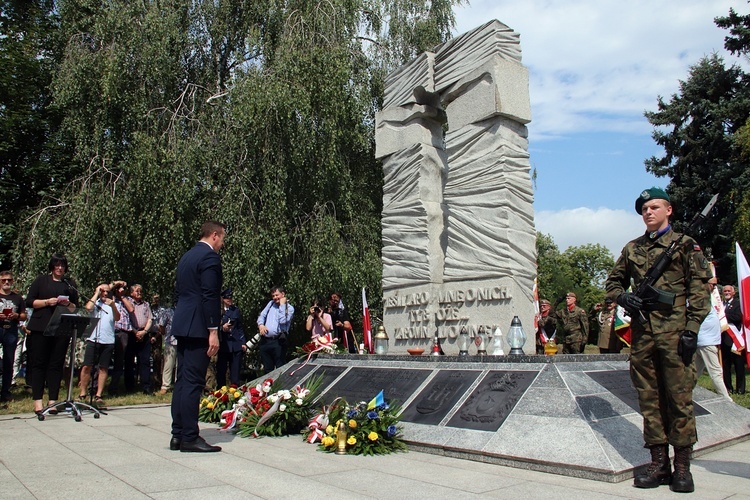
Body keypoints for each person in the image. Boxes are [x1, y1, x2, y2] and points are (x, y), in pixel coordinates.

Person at [605, 187, 711, 493]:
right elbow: (612, 283)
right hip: (643, 333)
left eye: (654, 207)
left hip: (675, 331)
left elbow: (699, 292)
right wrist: (624, 295)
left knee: (679, 399)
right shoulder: (632, 248)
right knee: (649, 399)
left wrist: (691, 329)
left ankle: (682, 468)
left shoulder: (686, 245)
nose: (648, 212)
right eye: (644, 209)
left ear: (668, 210)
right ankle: (658, 464)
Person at [170, 221, 225, 453]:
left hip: (183, 323)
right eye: (222, 238)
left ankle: (178, 434)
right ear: (214, 235)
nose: (222, 244)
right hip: (199, 327)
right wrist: (213, 330)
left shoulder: (187, 257)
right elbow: (210, 296)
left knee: (182, 381)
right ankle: (190, 437)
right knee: (193, 382)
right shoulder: (209, 258)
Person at [25, 253, 79, 417]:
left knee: (56, 364)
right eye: (57, 265)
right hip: (41, 327)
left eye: (62, 265)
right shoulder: (41, 280)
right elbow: (29, 301)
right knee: (39, 363)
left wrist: (67, 303)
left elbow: (75, 307)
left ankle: (53, 401)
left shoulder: (69, 284)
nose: (60, 268)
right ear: (52, 266)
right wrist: (47, 302)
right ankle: (38, 401)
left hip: (61, 328)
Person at [78, 283, 120, 407]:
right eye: (103, 291)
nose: (105, 294)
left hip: (108, 340)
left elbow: (117, 318)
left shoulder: (113, 305)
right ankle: (83, 392)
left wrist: (112, 305)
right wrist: (96, 293)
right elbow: (88, 308)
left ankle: (98, 394)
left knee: (103, 368)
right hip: (93, 339)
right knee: (87, 366)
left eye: (107, 291)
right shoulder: (95, 303)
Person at [695, 279, 732, 402]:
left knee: (695, 372)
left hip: (706, 341)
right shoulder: (700, 298)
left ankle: (683, 394)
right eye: (713, 284)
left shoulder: (708, 297)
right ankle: (725, 398)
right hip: (706, 341)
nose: (715, 287)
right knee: (715, 371)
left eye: (716, 285)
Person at [0, 271, 26, 402]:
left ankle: (5, 391)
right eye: (4, 280)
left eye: (9, 280)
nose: (6, 282)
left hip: (11, 329)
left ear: (12, 281)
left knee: (9, 360)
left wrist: (16, 316)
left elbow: (24, 315)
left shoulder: (17, 298)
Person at [257, 286, 294, 374]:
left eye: (277, 295)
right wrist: (261, 325)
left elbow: (283, 320)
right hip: (266, 340)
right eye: (273, 296)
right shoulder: (270, 304)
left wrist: (282, 305)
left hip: (278, 341)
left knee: (280, 368)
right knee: (267, 369)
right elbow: (261, 315)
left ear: (283, 294)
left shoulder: (289, 308)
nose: (275, 298)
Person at [125, 284, 153, 394]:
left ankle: (146, 386)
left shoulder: (146, 304)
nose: (139, 293)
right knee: (129, 361)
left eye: (141, 291)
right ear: (131, 293)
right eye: (137, 291)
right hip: (132, 333)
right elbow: (126, 319)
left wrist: (144, 331)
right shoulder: (128, 303)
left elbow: (150, 319)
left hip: (144, 334)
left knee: (145, 361)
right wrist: (135, 332)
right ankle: (129, 387)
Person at [216, 288, 246, 387]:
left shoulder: (235, 310)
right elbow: (213, 326)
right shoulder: (218, 311)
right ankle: (220, 392)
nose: (229, 300)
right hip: (224, 344)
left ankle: (235, 391)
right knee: (221, 370)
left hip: (235, 344)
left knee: (235, 371)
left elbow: (239, 327)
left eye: (230, 298)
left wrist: (243, 342)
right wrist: (222, 328)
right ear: (222, 299)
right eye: (227, 298)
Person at [108, 280, 133, 395]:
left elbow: (131, 309)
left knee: (119, 361)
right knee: (103, 360)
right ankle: (95, 387)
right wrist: (116, 283)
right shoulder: (109, 298)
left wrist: (122, 296)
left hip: (123, 332)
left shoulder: (126, 300)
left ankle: (113, 388)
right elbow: (105, 289)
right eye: (119, 288)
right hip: (110, 330)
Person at [721, 284, 745, 395]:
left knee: (739, 366)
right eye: (725, 291)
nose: (726, 292)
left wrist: (723, 316)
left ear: (733, 292)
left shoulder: (738, 304)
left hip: (736, 341)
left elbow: (737, 317)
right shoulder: (721, 304)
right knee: (726, 366)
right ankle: (728, 388)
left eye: (728, 291)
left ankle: (740, 389)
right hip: (724, 339)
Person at [158, 305, 176, 395]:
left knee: (180, 365)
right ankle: (165, 386)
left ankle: (178, 385)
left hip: (183, 342)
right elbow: (161, 325)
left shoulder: (186, 310)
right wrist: (165, 335)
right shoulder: (168, 311)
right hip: (170, 341)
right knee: (168, 365)